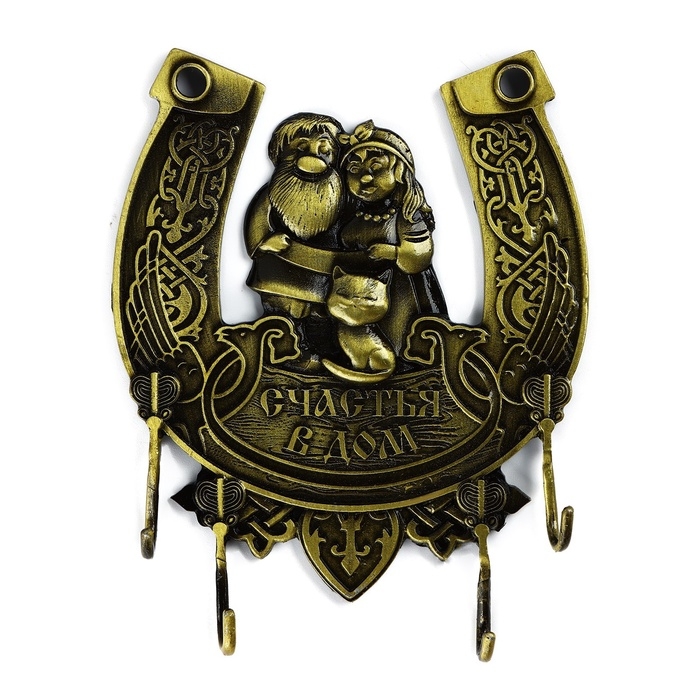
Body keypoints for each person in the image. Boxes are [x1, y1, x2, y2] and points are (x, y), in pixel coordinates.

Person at [337, 121, 447, 358]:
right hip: (358, 296)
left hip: (400, 291)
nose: (365, 178)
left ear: (399, 172)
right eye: (354, 170)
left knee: (399, 336)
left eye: (376, 167)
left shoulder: (407, 214)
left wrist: (393, 252)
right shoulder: (352, 214)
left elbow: (420, 255)